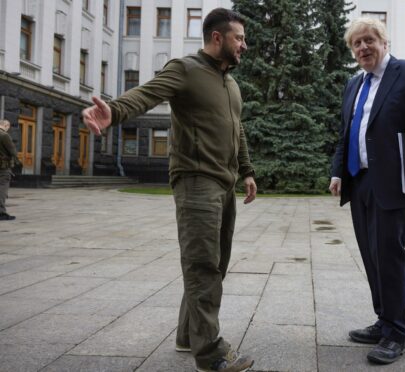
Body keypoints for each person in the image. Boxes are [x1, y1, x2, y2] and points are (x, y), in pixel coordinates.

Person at [82, 8, 256, 372]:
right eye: (239, 38)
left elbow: (236, 128)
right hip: (196, 180)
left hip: (224, 183)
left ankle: (186, 336)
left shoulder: (231, 84)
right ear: (217, 38)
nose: (244, 45)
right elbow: (147, 94)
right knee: (202, 265)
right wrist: (113, 111)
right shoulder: (186, 69)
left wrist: (247, 171)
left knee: (215, 264)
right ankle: (210, 354)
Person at [329, 17, 405, 365]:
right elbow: (346, 133)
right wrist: (338, 173)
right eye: (356, 44)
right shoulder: (354, 84)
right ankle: (383, 320)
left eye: (369, 40)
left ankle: (396, 333)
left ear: (384, 42)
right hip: (360, 180)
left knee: (389, 256)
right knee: (371, 255)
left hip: (396, 183)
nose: (363, 48)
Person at [0, 119, 18, 221]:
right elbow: (13, 151)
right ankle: (1, 213)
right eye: (8, 127)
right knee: (2, 190)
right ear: (6, 125)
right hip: (3, 168)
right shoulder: (4, 135)